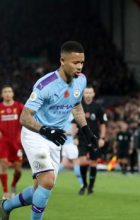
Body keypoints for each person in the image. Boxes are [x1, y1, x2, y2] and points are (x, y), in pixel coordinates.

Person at [0, 41, 98, 220]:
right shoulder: (45, 84)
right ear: (62, 61)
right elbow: (25, 117)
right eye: (75, 62)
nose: (79, 66)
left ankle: (6, 206)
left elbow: (76, 106)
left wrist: (86, 131)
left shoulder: (81, 80)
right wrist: (45, 130)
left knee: (41, 189)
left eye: (82, 62)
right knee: (47, 181)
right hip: (35, 134)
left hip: (55, 138)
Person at [77, 85, 107, 195]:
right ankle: (84, 184)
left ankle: (90, 187)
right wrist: (74, 137)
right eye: (86, 93)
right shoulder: (79, 106)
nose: (88, 95)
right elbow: (74, 124)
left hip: (94, 139)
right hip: (82, 138)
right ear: (83, 94)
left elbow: (103, 124)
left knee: (94, 163)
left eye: (90, 93)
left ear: (93, 94)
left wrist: (102, 138)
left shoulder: (98, 107)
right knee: (83, 161)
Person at [0, 85, 24, 199]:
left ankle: (14, 184)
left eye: (9, 91)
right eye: (5, 92)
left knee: (18, 170)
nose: (7, 93)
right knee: (3, 164)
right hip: (3, 142)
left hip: (16, 143)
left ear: (13, 94)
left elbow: (27, 119)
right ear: (2, 95)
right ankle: (6, 192)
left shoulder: (19, 107)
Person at [58, 113, 83, 188]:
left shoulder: (62, 115)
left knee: (64, 163)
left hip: (65, 144)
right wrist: (75, 134)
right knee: (76, 163)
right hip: (71, 143)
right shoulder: (71, 116)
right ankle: (83, 184)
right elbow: (74, 130)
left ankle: (49, 178)